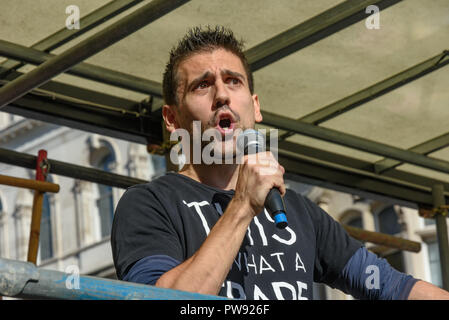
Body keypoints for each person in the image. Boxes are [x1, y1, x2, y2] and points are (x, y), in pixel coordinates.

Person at [111, 25, 449, 300]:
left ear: (255, 107)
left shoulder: (300, 212)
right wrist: (242, 206)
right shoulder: (149, 204)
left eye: (233, 81)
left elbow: (391, 287)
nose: (222, 95)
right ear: (171, 119)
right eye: (202, 85)